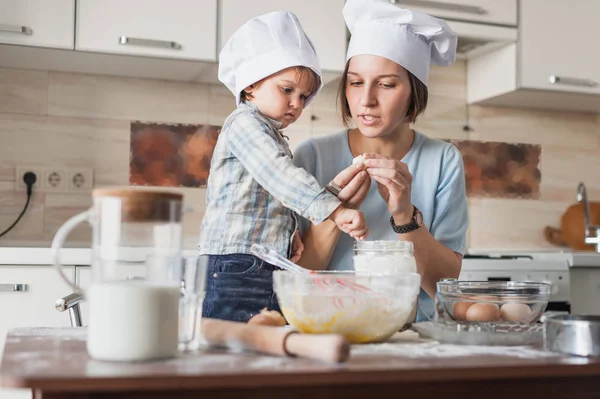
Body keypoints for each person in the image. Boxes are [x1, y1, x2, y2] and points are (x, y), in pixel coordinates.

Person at [293, 0, 468, 321]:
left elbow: (444, 287)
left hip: (413, 335)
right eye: (356, 82)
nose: (366, 100)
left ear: (415, 92)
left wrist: (404, 216)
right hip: (329, 326)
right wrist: (334, 211)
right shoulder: (312, 156)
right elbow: (297, 278)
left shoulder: (443, 160)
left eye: (386, 84)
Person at [199, 11, 369, 323]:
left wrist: (295, 230)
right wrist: (335, 211)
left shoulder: (269, 132)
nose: (297, 104)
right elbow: (278, 176)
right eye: (287, 90)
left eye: (304, 96)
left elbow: (272, 197)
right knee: (234, 349)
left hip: (261, 262)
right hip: (236, 266)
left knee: (261, 345)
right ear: (251, 86)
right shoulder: (243, 123)